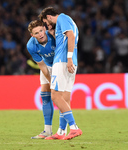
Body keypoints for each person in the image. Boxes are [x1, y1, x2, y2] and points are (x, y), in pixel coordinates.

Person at [38, 7, 82, 140]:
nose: (47, 25)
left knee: (55, 96)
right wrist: (53, 34)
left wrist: (68, 58)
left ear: (49, 17)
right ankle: (61, 131)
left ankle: (74, 128)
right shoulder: (68, 21)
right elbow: (65, 39)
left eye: (46, 22)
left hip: (62, 61)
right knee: (65, 98)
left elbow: (71, 36)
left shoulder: (62, 18)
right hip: (70, 61)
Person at [27, 20, 67, 139]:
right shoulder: (31, 46)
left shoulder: (54, 36)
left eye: (41, 30)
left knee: (60, 97)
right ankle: (47, 130)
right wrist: (51, 81)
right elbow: (42, 66)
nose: (40, 34)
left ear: (44, 29)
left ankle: (62, 130)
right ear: (32, 35)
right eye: (36, 33)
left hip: (60, 65)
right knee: (45, 95)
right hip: (47, 66)